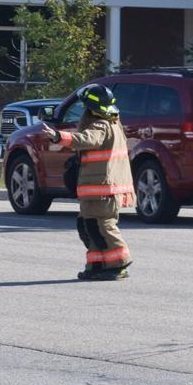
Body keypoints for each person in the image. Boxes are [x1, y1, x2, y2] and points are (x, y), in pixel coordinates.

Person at [42, 83, 134, 281]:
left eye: (84, 107)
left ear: (91, 108)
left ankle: (119, 264)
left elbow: (88, 138)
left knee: (103, 225)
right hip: (97, 188)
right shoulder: (110, 121)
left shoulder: (101, 124)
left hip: (104, 189)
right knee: (89, 226)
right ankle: (97, 265)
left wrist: (59, 137)